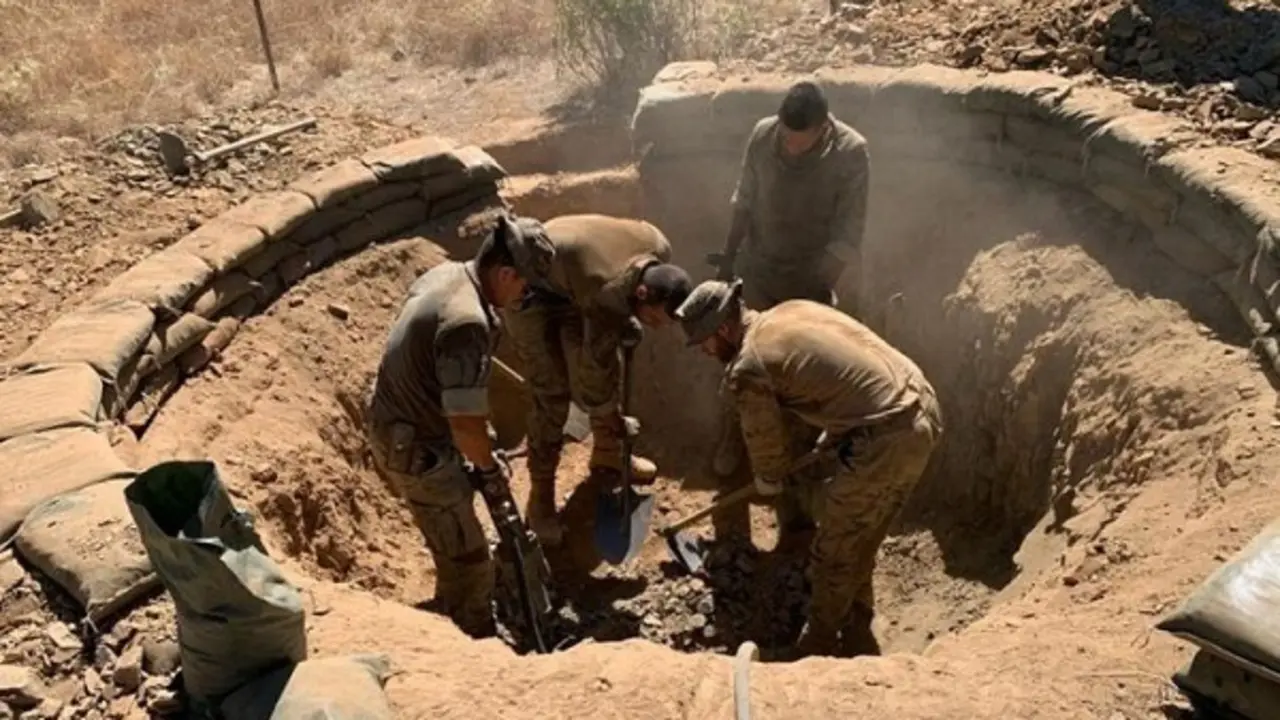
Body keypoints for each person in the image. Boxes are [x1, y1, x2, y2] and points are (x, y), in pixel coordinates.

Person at [674, 279, 943, 659]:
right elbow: (838, 377)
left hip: (888, 435)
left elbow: (767, 453)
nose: (704, 352)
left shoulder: (749, 367)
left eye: (704, 343)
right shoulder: (790, 308)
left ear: (723, 329)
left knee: (834, 548)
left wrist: (769, 482)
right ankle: (856, 620)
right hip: (920, 406)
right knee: (862, 532)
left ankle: (818, 641)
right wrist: (837, 434)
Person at [364, 212, 555, 638]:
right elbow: (466, 428)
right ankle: (471, 636)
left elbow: (458, 401)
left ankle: (456, 603)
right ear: (506, 273)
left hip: (410, 425)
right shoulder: (467, 321)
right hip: (414, 449)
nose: (524, 296)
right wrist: (487, 470)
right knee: (469, 560)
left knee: (463, 537)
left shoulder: (448, 274)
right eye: (524, 286)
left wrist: (484, 452)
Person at [706, 80, 872, 485]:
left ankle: (797, 456)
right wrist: (728, 261)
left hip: (810, 277)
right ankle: (733, 438)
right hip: (760, 268)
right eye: (787, 139)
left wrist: (811, 300)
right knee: (740, 360)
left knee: (800, 369)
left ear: (823, 128)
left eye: (802, 142)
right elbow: (743, 200)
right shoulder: (764, 135)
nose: (791, 148)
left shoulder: (851, 153)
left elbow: (847, 236)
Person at [503, 213, 693, 545]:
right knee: (551, 393)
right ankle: (541, 499)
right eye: (655, 318)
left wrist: (627, 320)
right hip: (530, 289)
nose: (660, 327)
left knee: (607, 356)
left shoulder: (659, 247)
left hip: (573, 274)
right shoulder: (605, 290)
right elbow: (593, 375)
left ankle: (607, 452)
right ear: (643, 291)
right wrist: (615, 420)